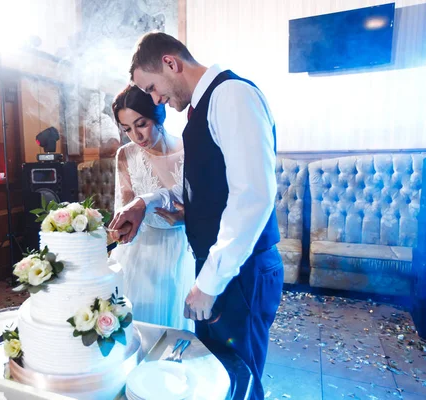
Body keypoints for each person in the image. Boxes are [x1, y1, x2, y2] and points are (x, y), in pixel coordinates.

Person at [109, 32, 284, 400]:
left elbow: (252, 198)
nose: (156, 99)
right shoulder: (204, 108)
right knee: (213, 376)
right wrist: (146, 202)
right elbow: (198, 187)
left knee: (238, 378)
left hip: (242, 272)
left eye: (153, 87)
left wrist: (208, 283)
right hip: (223, 268)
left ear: (171, 63)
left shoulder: (232, 96)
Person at [110, 84, 194, 332]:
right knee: (136, 327)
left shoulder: (189, 151)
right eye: (126, 129)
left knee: (173, 327)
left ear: (158, 115)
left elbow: (202, 209)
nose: (136, 136)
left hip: (181, 250)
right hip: (140, 251)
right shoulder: (125, 155)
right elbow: (124, 207)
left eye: (141, 124)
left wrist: (185, 219)